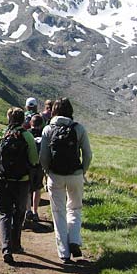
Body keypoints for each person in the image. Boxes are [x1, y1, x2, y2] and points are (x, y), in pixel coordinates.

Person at [40, 98, 93, 264]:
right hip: (75, 175)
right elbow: (88, 154)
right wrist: (81, 171)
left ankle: (64, 253)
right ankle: (74, 241)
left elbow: (43, 156)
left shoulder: (48, 129)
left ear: (54, 111)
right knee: (75, 208)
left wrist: (48, 171)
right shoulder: (78, 129)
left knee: (58, 213)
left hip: (55, 176)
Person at [0, 107, 38, 264]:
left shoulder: (0, 135)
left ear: (9, 119)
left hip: (2, 180)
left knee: (4, 213)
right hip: (21, 181)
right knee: (19, 212)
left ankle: (6, 248)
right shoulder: (27, 136)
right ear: (23, 119)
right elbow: (34, 160)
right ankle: (16, 244)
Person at [25, 114, 45, 226]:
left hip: (28, 165)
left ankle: (28, 210)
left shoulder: (27, 133)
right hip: (39, 165)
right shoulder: (44, 134)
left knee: (28, 188)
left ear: (30, 123)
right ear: (41, 124)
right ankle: (35, 212)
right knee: (37, 188)